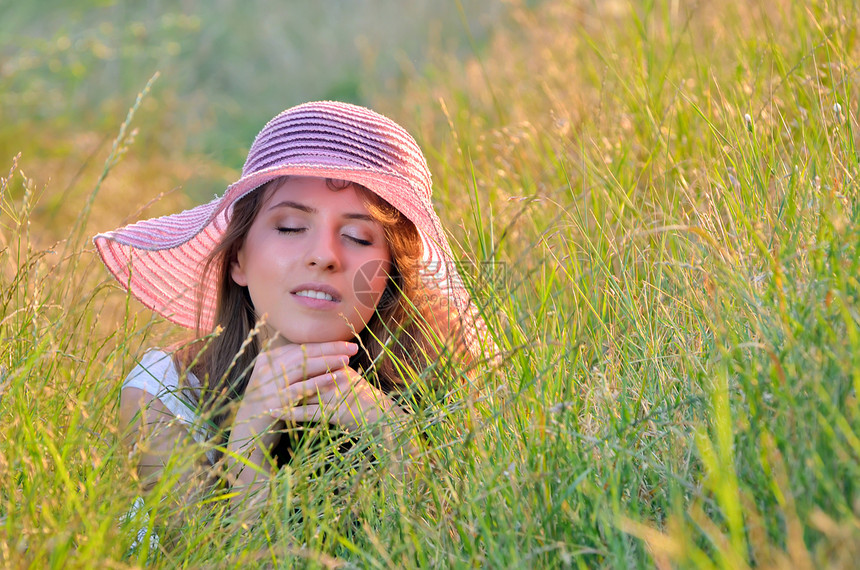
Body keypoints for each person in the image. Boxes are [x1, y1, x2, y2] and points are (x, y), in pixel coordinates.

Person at [94, 101, 489, 512]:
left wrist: (394, 438)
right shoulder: (165, 393)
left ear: (391, 276)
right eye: (290, 227)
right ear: (238, 259)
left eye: (358, 236)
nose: (324, 256)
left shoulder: (451, 391)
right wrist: (250, 439)